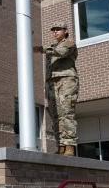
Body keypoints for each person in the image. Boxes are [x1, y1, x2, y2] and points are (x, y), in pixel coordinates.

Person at [34, 21, 79, 156]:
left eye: (58, 29)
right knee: (55, 115)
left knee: (66, 112)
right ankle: (60, 145)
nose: (55, 32)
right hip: (51, 83)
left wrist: (41, 49)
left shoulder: (69, 43)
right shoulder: (51, 47)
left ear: (65, 31)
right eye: (53, 30)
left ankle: (69, 145)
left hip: (66, 80)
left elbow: (61, 52)